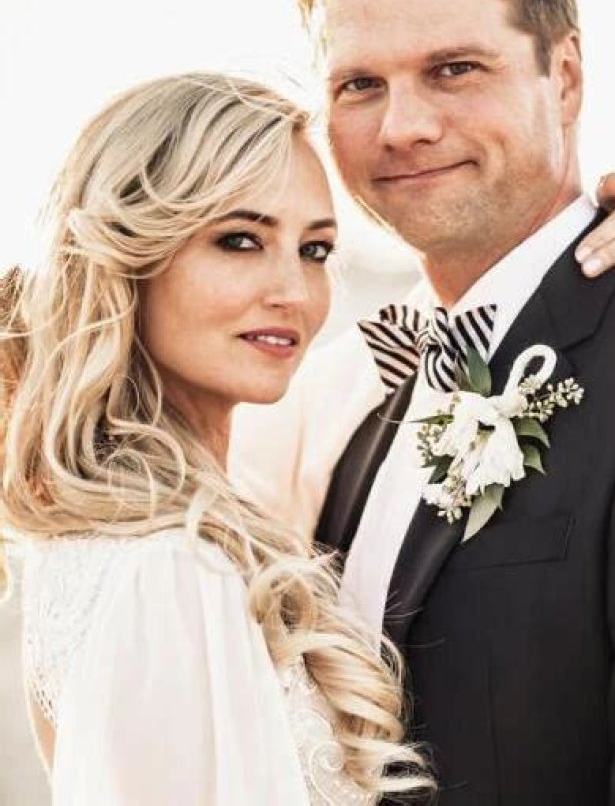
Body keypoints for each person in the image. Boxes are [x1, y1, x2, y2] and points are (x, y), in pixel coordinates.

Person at [233, 0, 615, 805]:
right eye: (360, 85)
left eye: (454, 68)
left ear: (564, 77)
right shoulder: (357, 388)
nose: (404, 127)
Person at [0, 72, 435, 805]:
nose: (293, 291)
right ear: (130, 259)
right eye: (239, 241)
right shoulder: (170, 569)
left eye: (315, 250)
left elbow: (443, 329)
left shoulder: (113, 536)